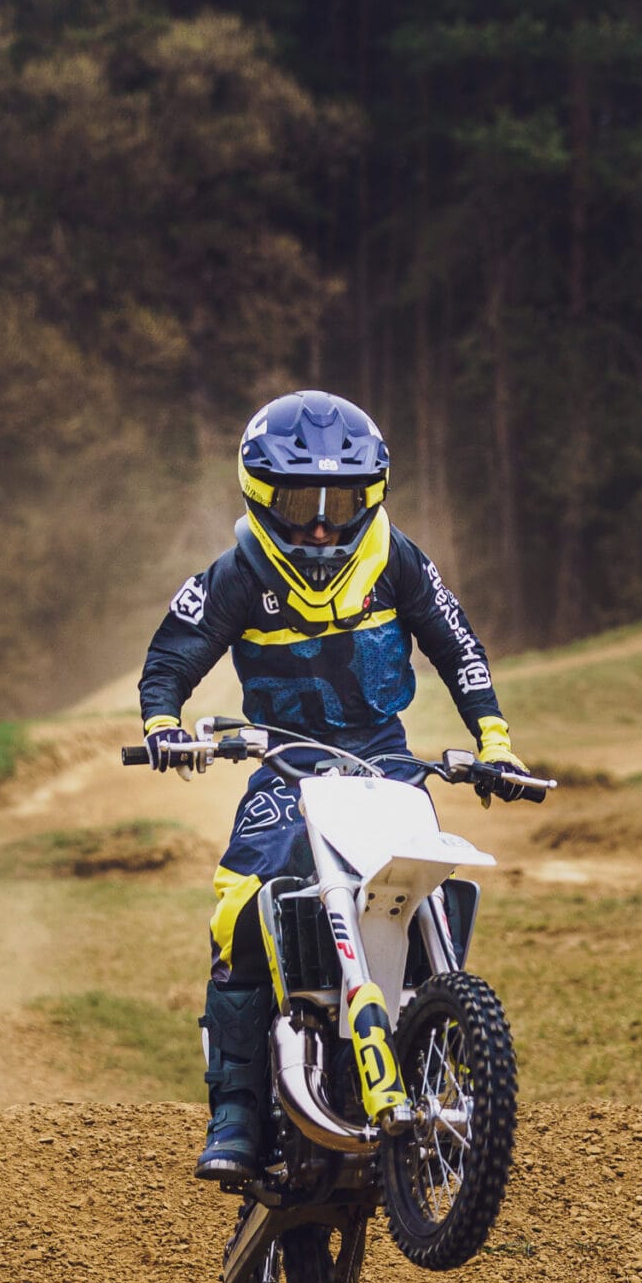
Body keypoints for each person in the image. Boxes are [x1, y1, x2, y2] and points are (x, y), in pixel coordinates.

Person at [138, 390, 530, 1181]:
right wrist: (163, 724)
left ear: (370, 498)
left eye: (340, 503)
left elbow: (458, 645)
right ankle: (237, 1110)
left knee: (430, 879)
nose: (320, 526)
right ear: (260, 497)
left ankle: (436, 1071)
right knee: (239, 906)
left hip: (386, 758)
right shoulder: (239, 573)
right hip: (285, 762)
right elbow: (171, 658)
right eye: (300, 504)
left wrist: (494, 741)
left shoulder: (397, 559)